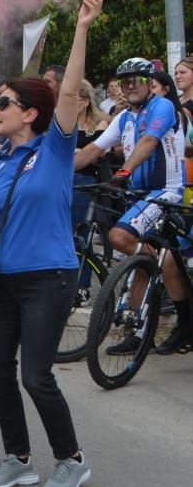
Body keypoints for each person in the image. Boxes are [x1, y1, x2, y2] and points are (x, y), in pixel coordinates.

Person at [0, 0, 100, 487]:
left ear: (32, 113)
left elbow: (72, 90)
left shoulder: (55, 148)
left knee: (36, 375)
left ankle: (71, 459)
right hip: (4, 279)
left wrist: (81, 28)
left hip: (50, 277)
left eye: (5, 104)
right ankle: (18, 457)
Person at [74, 56, 191, 354]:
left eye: (137, 80)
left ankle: (174, 317)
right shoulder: (125, 117)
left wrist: (124, 170)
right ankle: (144, 332)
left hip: (167, 192)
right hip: (139, 196)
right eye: (126, 81)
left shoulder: (161, 106)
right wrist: (57, 172)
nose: (131, 86)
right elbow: (93, 149)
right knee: (149, 259)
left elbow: (150, 141)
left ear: (150, 83)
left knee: (120, 237)